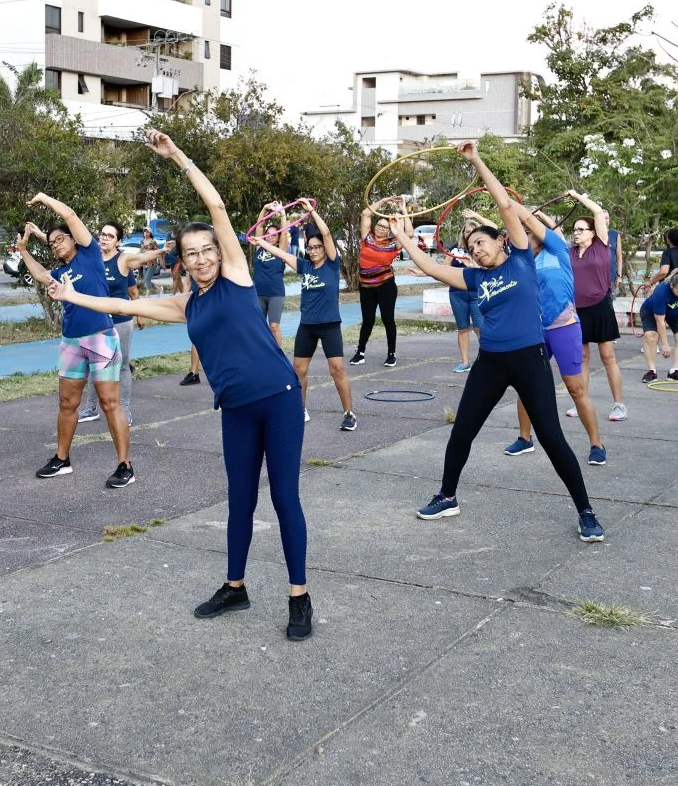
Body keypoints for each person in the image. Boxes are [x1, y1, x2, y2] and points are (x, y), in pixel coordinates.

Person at [48, 129, 313, 640]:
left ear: (218, 252)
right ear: (182, 262)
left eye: (207, 250)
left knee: (284, 499)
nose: (201, 258)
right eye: (191, 254)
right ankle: (235, 587)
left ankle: (298, 596)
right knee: (240, 500)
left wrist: (177, 156)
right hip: (235, 409)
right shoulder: (185, 304)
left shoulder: (237, 276)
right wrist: (72, 297)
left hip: (278, 400)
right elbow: (121, 304)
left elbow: (215, 205)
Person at [387, 142, 605, 541]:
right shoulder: (475, 277)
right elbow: (432, 268)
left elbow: (505, 204)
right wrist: (403, 238)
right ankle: (447, 496)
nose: (476, 249)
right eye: (471, 248)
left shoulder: (521, 257)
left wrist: (476, 160)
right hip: (491, 361)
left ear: (500, 240)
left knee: (552, 438)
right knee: (462, 430)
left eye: (481, 242)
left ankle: (586, 511)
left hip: (529, 358)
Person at [14, 194, 136, 489]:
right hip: (71, 342)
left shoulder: (90, 254)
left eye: (60, 239)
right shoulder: (59, 273)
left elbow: (69, 214)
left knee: (109, 403)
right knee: (67, 402)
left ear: (73, 239)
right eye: (51, 243)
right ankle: (62, 459)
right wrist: (23, 251)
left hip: (102, 338)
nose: (56, 245)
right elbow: (41, 275)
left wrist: (44, 198)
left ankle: (125, 466)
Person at [501, 206, 608, 467]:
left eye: (529, 232)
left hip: (564, 327)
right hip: (533, 331)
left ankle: (596, 444)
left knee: (576, 388)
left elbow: (527, 218)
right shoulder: (521, 261)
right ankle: (525, 438)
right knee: (527, 385)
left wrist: (511, 205)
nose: (524, 236)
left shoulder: (558, 249)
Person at [252, 205, 356, 431]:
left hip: (329, 325)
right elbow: (281, 253)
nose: (313, 251)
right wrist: (261, 242)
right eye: (309, 248)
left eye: (317, 247)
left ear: (324, 248)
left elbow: (325, 233)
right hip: (307, 326)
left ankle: (349, 413)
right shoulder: (304, 266)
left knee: (337, 369)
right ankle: (300, 410)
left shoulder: (332, 264)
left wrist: (311, 211)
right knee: (298, 370)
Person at [77, 222, 164, 425]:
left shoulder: (123, 260)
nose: (104, 238)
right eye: (103, 234)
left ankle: (124, 410)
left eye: (110, 236)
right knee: (95, 365)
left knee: (123, 365)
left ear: (118, 241)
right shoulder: (93, 258)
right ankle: (90, 408)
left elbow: (133, 291)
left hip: (121, 321)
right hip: (97, 320)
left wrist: (140, 315)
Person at [569, 191, 627, 423]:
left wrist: (576, 196)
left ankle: (619, 405)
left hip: (600, 306)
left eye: (581, 229)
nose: (576, 233)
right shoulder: (571, 252)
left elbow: (597, 212)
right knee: (582, 357)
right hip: (578, 309)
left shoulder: (601, 245)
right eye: (574, 230)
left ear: (592, 232)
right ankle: (581, 402)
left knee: (607, 356)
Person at [350, 203, 401, 367]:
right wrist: (384, 200)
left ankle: (391, 354)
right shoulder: (367, 237)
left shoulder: (393, 243)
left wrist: (402, 209)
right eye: (379, 224)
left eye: (385, 227)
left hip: (386, 286)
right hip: (366, 287)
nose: (380, 228)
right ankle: (360, 353)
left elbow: (409, 233)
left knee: (388, 319)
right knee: (368, 320)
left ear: (389, 230)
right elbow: (366, 213)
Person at [639, 268, 678, 383]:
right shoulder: (661, 291)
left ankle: (674, 371)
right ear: (672, 286)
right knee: (651, 336)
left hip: (676, 310)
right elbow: (660, 321)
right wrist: (665, 344)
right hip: (651, 311)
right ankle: (651, 371)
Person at [163, 237, 203, 387]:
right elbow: (187, 284)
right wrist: (186, 304)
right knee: (197, 338)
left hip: (215, 304)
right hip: (198, 303)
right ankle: (194, 373)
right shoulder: (191, 265)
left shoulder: (213, 264)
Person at [249, 208, 292, 349]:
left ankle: (278, 355)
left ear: (278, 238)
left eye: (274, 235)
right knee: (259, 327)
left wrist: (282, 213)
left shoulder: (281, 251)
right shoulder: (259, 248)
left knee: (273, 326)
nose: (270, 237)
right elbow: (259, 226)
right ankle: (261, 353)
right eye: (268, 234)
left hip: (275, 294)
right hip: (258, 294)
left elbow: (284, 232)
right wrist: (264, 209)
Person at [446, 221, 483, 373]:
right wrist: (423, 272)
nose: (469, 234)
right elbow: (443, 268)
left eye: (473, 231)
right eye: (467, 231)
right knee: (462, 328)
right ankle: (465, 362)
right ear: (463, 233)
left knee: (480, 328)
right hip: (457, 293)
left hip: (476, 293)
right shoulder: (455, 250)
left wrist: (472, 264)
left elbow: (487, 268)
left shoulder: (481, 249)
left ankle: (487, 360)